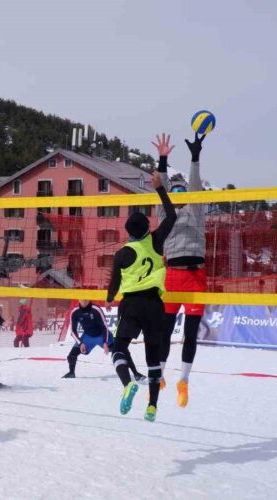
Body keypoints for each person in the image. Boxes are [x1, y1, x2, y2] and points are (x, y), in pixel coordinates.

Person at [105, 136, 178, 422]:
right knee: (153, 359)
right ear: (147, 228)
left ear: (128, 231)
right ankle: (152, 407)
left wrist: (110, 299)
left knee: (119, 348)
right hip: (155, 306)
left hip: (132, 305)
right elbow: (171, 215)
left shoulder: (122, 253)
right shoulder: (156, 241)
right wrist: (160, 186)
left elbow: (113, 285)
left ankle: (128, 383)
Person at [157, 133, 207, 408]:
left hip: (195, 275)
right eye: (174, 190)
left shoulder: (196, 209)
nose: (177, 193)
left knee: (190, 333)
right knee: (164, 332)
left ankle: (184, 380)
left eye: (181, 189)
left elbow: (196, 185)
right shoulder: (165, 214)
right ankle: (160, 374)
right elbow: (161, 187)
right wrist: (163, 159)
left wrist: (195, 158)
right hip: (172, 277)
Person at [62, 299, 145, 380]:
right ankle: (71, 373)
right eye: (82, 299)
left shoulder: (96, 309)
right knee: (71, 356)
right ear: (78, 300)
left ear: (89, 299)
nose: (84, 300)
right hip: (88, 337)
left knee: (122, 349)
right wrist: (80, 343)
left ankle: (136, 373)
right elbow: (73, 331)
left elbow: (104, 327)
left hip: (102, 335)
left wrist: (105, 342)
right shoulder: (75, 312)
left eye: (86, 299)